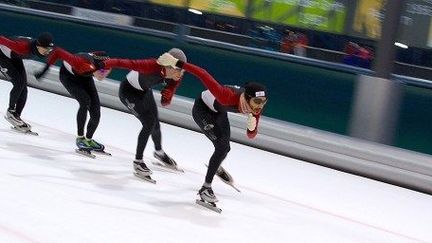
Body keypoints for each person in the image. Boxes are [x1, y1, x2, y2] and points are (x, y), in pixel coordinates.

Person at [157, 52, 268, 203]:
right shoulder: (226, 95)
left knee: (225, 148)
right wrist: (178, 63)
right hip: (202, 109)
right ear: (247, 97)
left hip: (219, 112)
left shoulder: (256, 109)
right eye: (257, 101)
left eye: (263, 102)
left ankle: (215, 166)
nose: (260, 106)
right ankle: (205, 188)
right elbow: (202, 73)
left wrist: (252, 128)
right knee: (221, 147)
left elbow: (251, 135)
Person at [101, 48, 186, 179]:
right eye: (179, 70)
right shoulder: (150, 65)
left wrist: (167, 96)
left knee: (155, 123)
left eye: (182, 70)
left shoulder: (176, 75)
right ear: (169, 66)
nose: (180, 74)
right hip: (128, 91)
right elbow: (123, 63)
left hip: (145, 91)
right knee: (149, 123)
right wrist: (103, 64)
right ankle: (138, 161)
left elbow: (170, 90)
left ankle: (159, 152)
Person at [35, 48, 111, 152]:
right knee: (84, 101)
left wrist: (106, 68)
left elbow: (100, 77)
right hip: (68, 76)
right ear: (94, 62)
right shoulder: (79, 60)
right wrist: (44, 71)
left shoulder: (100, 63)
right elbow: (57, 52)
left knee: (96, 111)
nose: (101, 69)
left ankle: (88, 140)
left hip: (85, 76)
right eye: (99, 67)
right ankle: (80, 138)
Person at [0, 32, 54, 131]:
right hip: (2, 55)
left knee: (24, 88)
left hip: (14, 56)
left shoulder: (34, 48)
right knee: (19, 83)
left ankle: (16, 116)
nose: (48, 52)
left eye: (50, 49)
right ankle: (11, 112)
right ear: (38, 46)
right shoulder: (22, 46)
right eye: (46, 49)